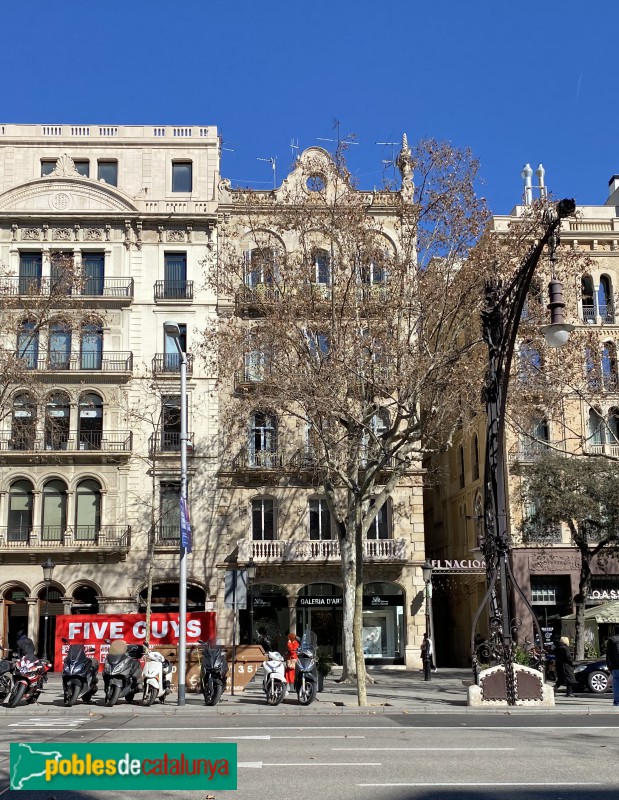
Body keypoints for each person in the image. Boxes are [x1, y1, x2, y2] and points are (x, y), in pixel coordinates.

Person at [604, 626, 619, 709]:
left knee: (616, 683)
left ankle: (617, 702)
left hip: (616, 666)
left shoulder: (612, 640)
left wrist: (610, 668)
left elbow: (609, 655)